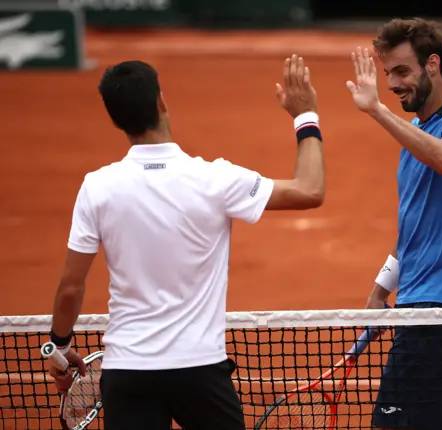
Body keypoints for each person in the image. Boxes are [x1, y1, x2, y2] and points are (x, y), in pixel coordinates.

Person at [46, 56, 325, 430]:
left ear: (116, 120)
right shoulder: (215, 179)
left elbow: (70, 289)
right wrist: (305, 116)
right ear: (161, 101)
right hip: (200, 372)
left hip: (128, 371)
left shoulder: (96, 187)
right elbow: (310, 190)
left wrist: (59, 350)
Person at [346, 18, 442, 430]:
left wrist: (374, 110)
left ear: (433, 64)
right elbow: (414, 226)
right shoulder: (415, 131)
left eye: (401, 71)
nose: (392, 84)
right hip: (420, 306)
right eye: (388, 72)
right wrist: (381, 290)